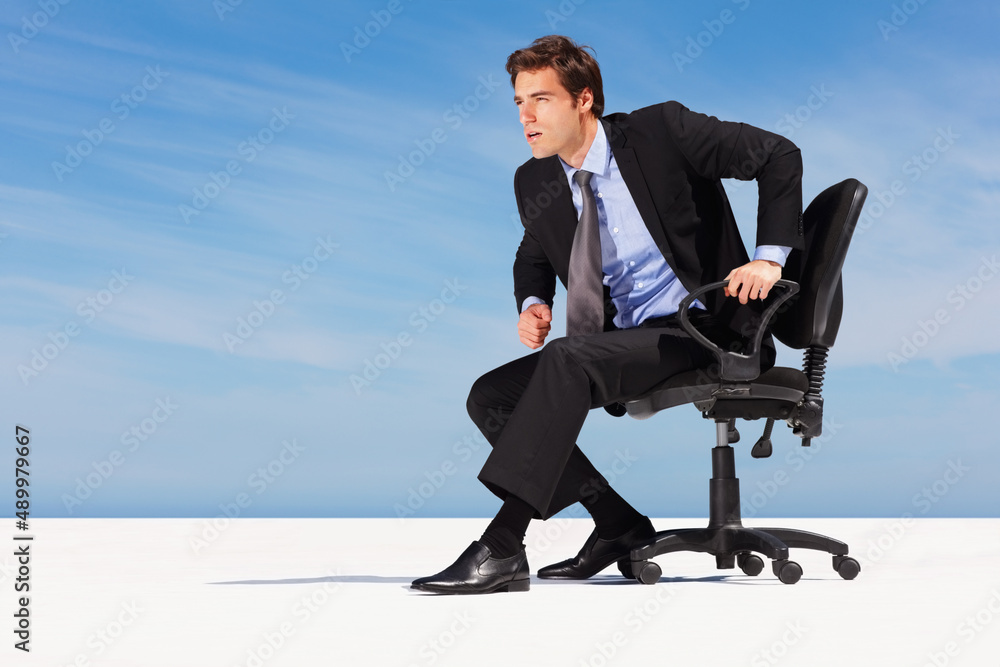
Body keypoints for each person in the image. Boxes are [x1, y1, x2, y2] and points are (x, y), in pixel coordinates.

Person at [411, 35, 803, 594]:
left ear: (583, 99)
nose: (525, 116)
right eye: (518, 102)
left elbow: (778, 154)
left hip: (708, 331)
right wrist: (534, 301)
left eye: (541, 99)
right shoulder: (536, 178)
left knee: (567, 360)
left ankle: (501, 548)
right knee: (492, 396)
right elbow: (534, 252)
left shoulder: (662, 132)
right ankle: (618, 525)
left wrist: (768, 260)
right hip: (629, 340)